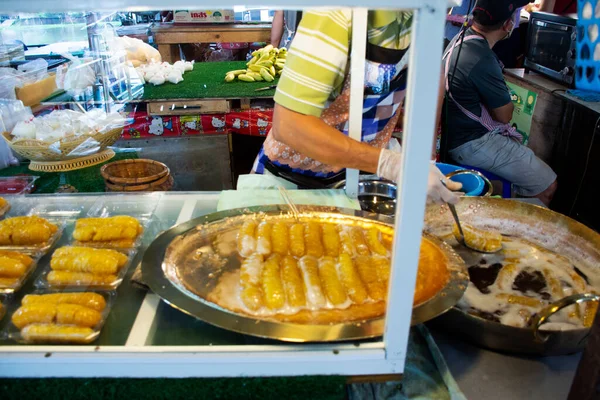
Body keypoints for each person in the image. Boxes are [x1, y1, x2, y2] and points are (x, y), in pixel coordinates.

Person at [253, 10, 461, 204]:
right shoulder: (336, 13)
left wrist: (423, 158)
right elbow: (289, 125)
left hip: (356, 181)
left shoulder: (420, 17)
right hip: (292, 184)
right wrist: (390, 164)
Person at [443, 0, 558, 206]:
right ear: (508, 24)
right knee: (547, 186)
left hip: (456, 135)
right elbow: (504, 115)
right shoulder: (482, 58)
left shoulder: (461, 39)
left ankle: (497, 195)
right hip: (473, 143)